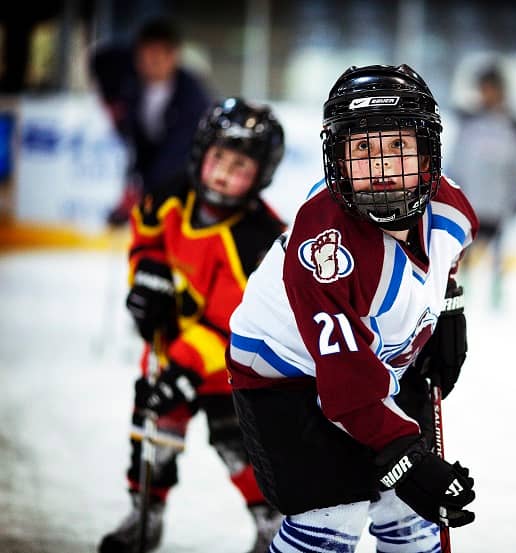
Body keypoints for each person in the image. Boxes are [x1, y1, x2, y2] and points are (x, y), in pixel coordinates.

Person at [227, 64, 478, 552]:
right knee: (332, 516)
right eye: (362, 148)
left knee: (409, 512)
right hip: (284, 377)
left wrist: (449, 311)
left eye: (397, 146)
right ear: (336, 159)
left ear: (428, 156)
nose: (382, 166)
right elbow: (345, 385)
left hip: (376, 363)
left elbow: (449, 262)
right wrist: (404, 454)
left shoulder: (453, 211)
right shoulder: (322, 245)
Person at [99, 97, 288, 553]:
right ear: (200, 153)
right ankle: (145, 514)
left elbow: (232, 320)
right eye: (218, 158)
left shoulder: (260, 240)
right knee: (152, 430)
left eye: (239, 166)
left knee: (239, 448)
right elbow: (146, 240)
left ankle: (271, 525)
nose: (223, 173)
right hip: (168, 350)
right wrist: (146, 278)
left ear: (259, 176)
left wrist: (184, 369)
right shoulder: (168, 197)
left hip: (230, 369)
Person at [88, 16, 212, 226]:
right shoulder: (128, 81)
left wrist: (145, 197)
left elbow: (174, 155)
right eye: (144, 55)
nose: (151, 63)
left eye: (158, 56)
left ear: (174, 56)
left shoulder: (193, 97)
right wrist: (110, 102)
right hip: (147, 169)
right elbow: (99, 59)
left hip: (185, 177)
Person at [448, 63, 516, 310]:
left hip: (498, 199)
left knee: (498, 248)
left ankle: (497, 291)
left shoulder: (512, 124)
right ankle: (466, 288)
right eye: (483, 88)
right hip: (472, 197)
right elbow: (457, 159)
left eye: (490, 88)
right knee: (468, 248)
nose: (486, 94)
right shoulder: (469, 121)